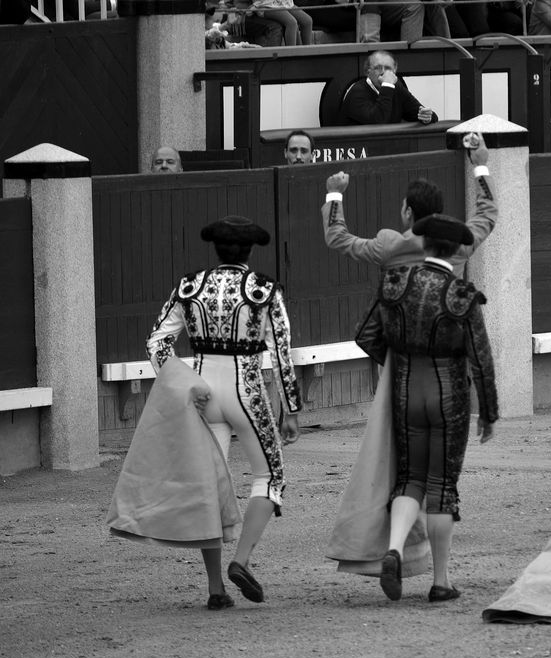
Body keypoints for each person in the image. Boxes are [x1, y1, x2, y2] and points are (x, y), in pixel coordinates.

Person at [146, 215, 302, 608]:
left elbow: (157, 344)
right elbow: (282, 355)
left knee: (209, 486)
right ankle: (242, 560)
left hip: (201, 389)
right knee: (270, 475)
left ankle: (216, 589)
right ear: (250, 251)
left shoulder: (189, 285)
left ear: (215, 250)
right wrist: (292, 409)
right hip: (245, 390)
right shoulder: (265, 289)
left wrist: (183, 385)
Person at [354, 213, 499, 602]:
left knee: (410, 478)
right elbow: (481, 359)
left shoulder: (396, 283)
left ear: (424, 245)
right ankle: (441, 581)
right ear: (455, 252)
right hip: (447, 392)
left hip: (405, 388)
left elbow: (365, 336)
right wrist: (489, 412)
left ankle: (395, 550)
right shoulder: (461, 294)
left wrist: (398, 362)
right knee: (441, 487)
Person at [321, 132, 495, 270]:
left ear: (409, 212)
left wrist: (334, 193)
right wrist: (480, 164)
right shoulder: (459, 244)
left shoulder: (389, 246)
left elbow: (337, 238)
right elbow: (487, 213)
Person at [335, 51, 438, 126]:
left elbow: (418, 111)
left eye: (388, 68)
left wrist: (427, 118)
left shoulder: (397, 88)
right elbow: (379, 122)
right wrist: (387, 86)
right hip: (357, 150)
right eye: (377, 68)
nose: (383, 72)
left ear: (395, 71)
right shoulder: (357, 92)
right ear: (367, 72)